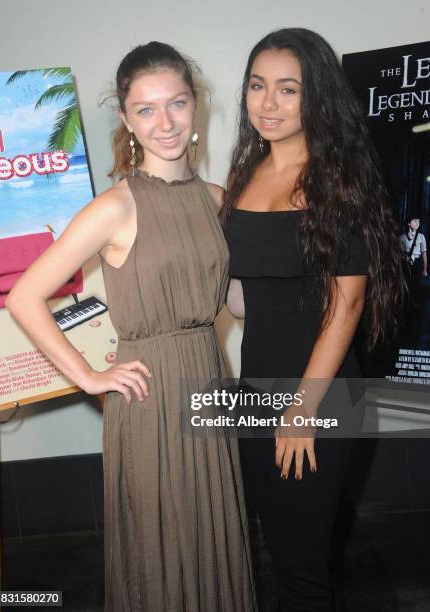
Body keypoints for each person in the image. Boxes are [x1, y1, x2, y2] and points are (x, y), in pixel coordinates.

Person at [7, 42, 257, 612]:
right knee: (162, 544)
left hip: (211, 379)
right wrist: (88, 376)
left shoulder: (221, 201)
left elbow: (236, 304)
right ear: (125, 118)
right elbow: (24, 296)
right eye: (146, 109)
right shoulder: (114, 207)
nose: (164, 122)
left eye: (176, 103)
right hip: (150, 395)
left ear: (197, 107)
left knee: (214, 531)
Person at [221, 28, 405, 611]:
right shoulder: (243, 177)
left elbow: (346, 305)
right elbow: (242, 298)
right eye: (257, 86)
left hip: (318, 394)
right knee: (280, 550)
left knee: (302, 568)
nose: (267, 103)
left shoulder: (337, 180)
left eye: (287, 89)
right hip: (257, 391)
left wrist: (302, 408)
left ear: (317, 97)